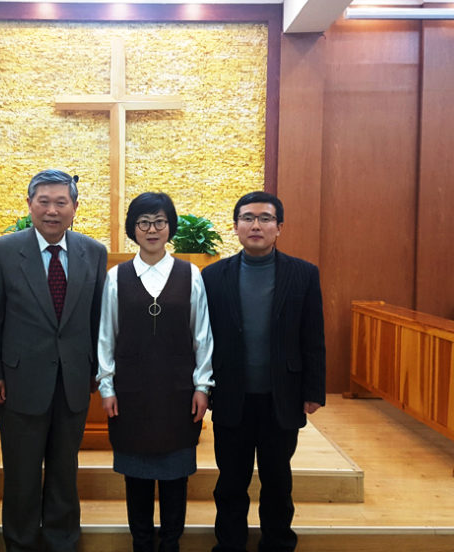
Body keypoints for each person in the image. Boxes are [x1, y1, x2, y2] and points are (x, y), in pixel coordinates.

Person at [0, 169, 108, 552]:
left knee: (65, 470)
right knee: (22, 472)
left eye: (61, 202)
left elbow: (98, 318)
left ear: (75, 207)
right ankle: (20, 543)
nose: (52, 210)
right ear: (29, 204)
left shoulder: (93, 252)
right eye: (44, 201)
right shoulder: (1, 252)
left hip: (74, 380)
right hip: (20, 381)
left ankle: (62, 541)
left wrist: (99, 371)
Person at [201, 191, 326, 552]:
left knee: (277, 480)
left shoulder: (303, 274)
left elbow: (313, 336)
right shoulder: (213, 276)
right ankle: (230, 545)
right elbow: (202, 339)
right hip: (231, 395)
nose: (256, 225)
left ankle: (278, 543)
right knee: (230, 482)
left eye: (265, 218)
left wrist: (314, 390)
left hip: (281, 397)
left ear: (279, 227)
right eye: (248, 218)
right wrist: (202, 388)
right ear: (236, 226)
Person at [97, 192, 214, 552]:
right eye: (144, 222)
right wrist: (106, 387)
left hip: (177, 392)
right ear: (133, 228)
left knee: (176, 475)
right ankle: (142, 543)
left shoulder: (190, 275)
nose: (152, 229)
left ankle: (171, 543)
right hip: (131, 392)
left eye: (159, 221)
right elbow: (106, 336)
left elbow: (202, 335)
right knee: (137, 477)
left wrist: (203, 386)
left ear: (170, 227)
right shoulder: (116, 277)